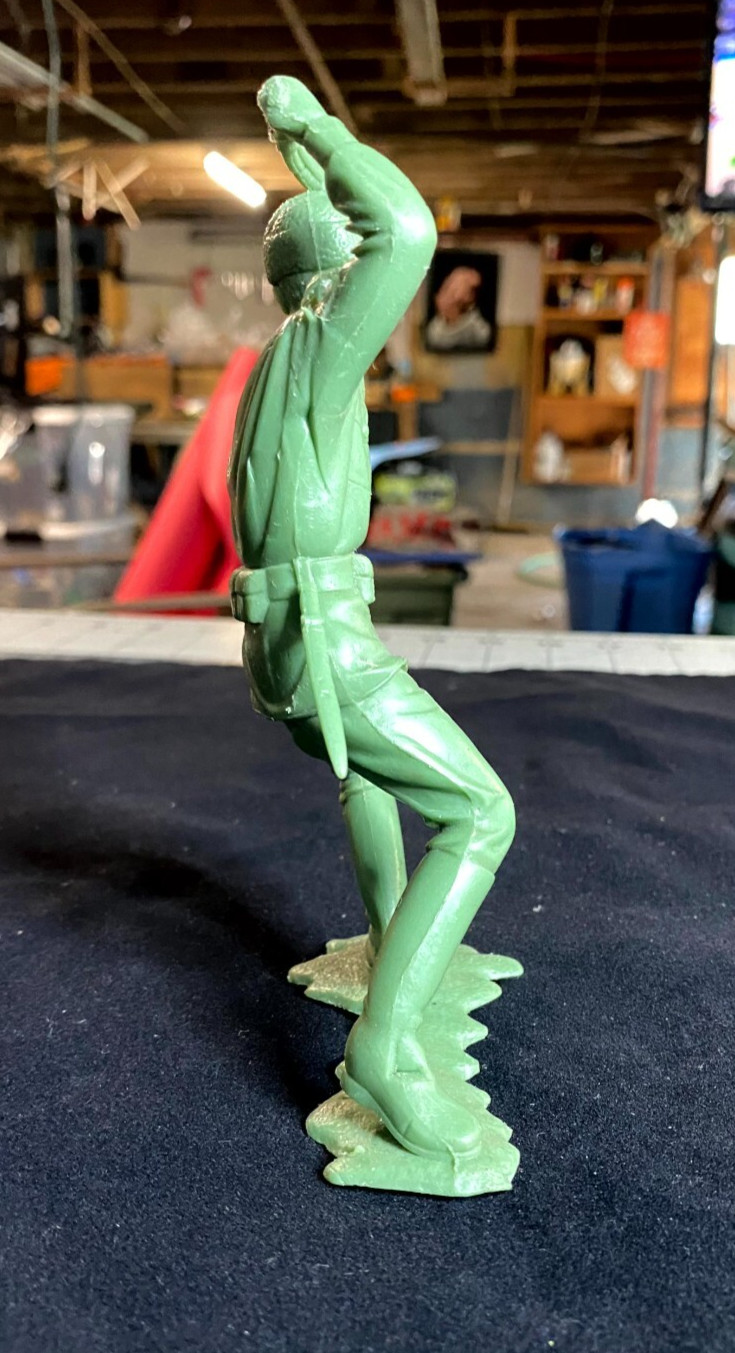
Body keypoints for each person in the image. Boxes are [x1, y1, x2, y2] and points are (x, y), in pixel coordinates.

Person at [229, 75, 515, 1162]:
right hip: (321, 643)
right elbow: (407, 226)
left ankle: (396, 938)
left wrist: (309, 164)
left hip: (293, 643)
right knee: (480, 813)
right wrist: (320, 129)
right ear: (334, 274)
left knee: (367, 770)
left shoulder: (280, 360)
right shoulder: (318, 345)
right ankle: (384, 1050)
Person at [426, 265, 492, 351]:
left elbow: (484, 337)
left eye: (452, 291)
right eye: (446, 288)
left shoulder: (475, 327)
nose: (441, 297)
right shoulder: (435, 328)